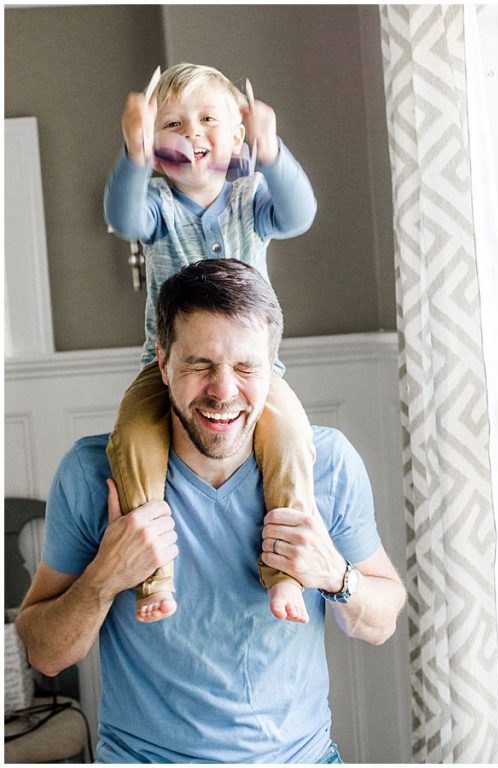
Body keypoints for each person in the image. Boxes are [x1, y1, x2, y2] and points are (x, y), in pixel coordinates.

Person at [15, 259, 406, 763]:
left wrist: (334, 574)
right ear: (162, 362)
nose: (222, 391)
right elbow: (45, 654)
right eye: (200, 365)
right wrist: (104, 578)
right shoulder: (92, 474)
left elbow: (380, 622)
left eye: (245, 367)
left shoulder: (325, 463)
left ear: (272, 367)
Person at [104, 62, 318, 624]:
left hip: (254, 370)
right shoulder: (156, 206)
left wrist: (273, 153)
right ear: (153, 143)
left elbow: (300, 216)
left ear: (238, 136)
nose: (193, 133)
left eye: (207, 120)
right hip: (171, 369)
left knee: (292, 435)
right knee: (131, 439)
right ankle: (155, 577)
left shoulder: (252, 197)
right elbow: (120, 216)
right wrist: (131, 155)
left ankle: (286, 574)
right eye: (172, 124)